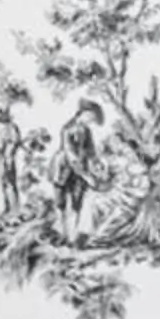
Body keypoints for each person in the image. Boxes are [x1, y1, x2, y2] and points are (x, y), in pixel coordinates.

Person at [47, 96, 106, 232]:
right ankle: (62, 232)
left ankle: (73, 234)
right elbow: (71, 156)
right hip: (62, 168)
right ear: (83, 113)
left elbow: (91, 151)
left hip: (80, 169)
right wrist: (87, 176)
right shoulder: (67, 129)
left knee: (77, 202)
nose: (92, 120)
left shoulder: (87, 130)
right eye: (91, 116)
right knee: (60, 203)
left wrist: (98, 165)